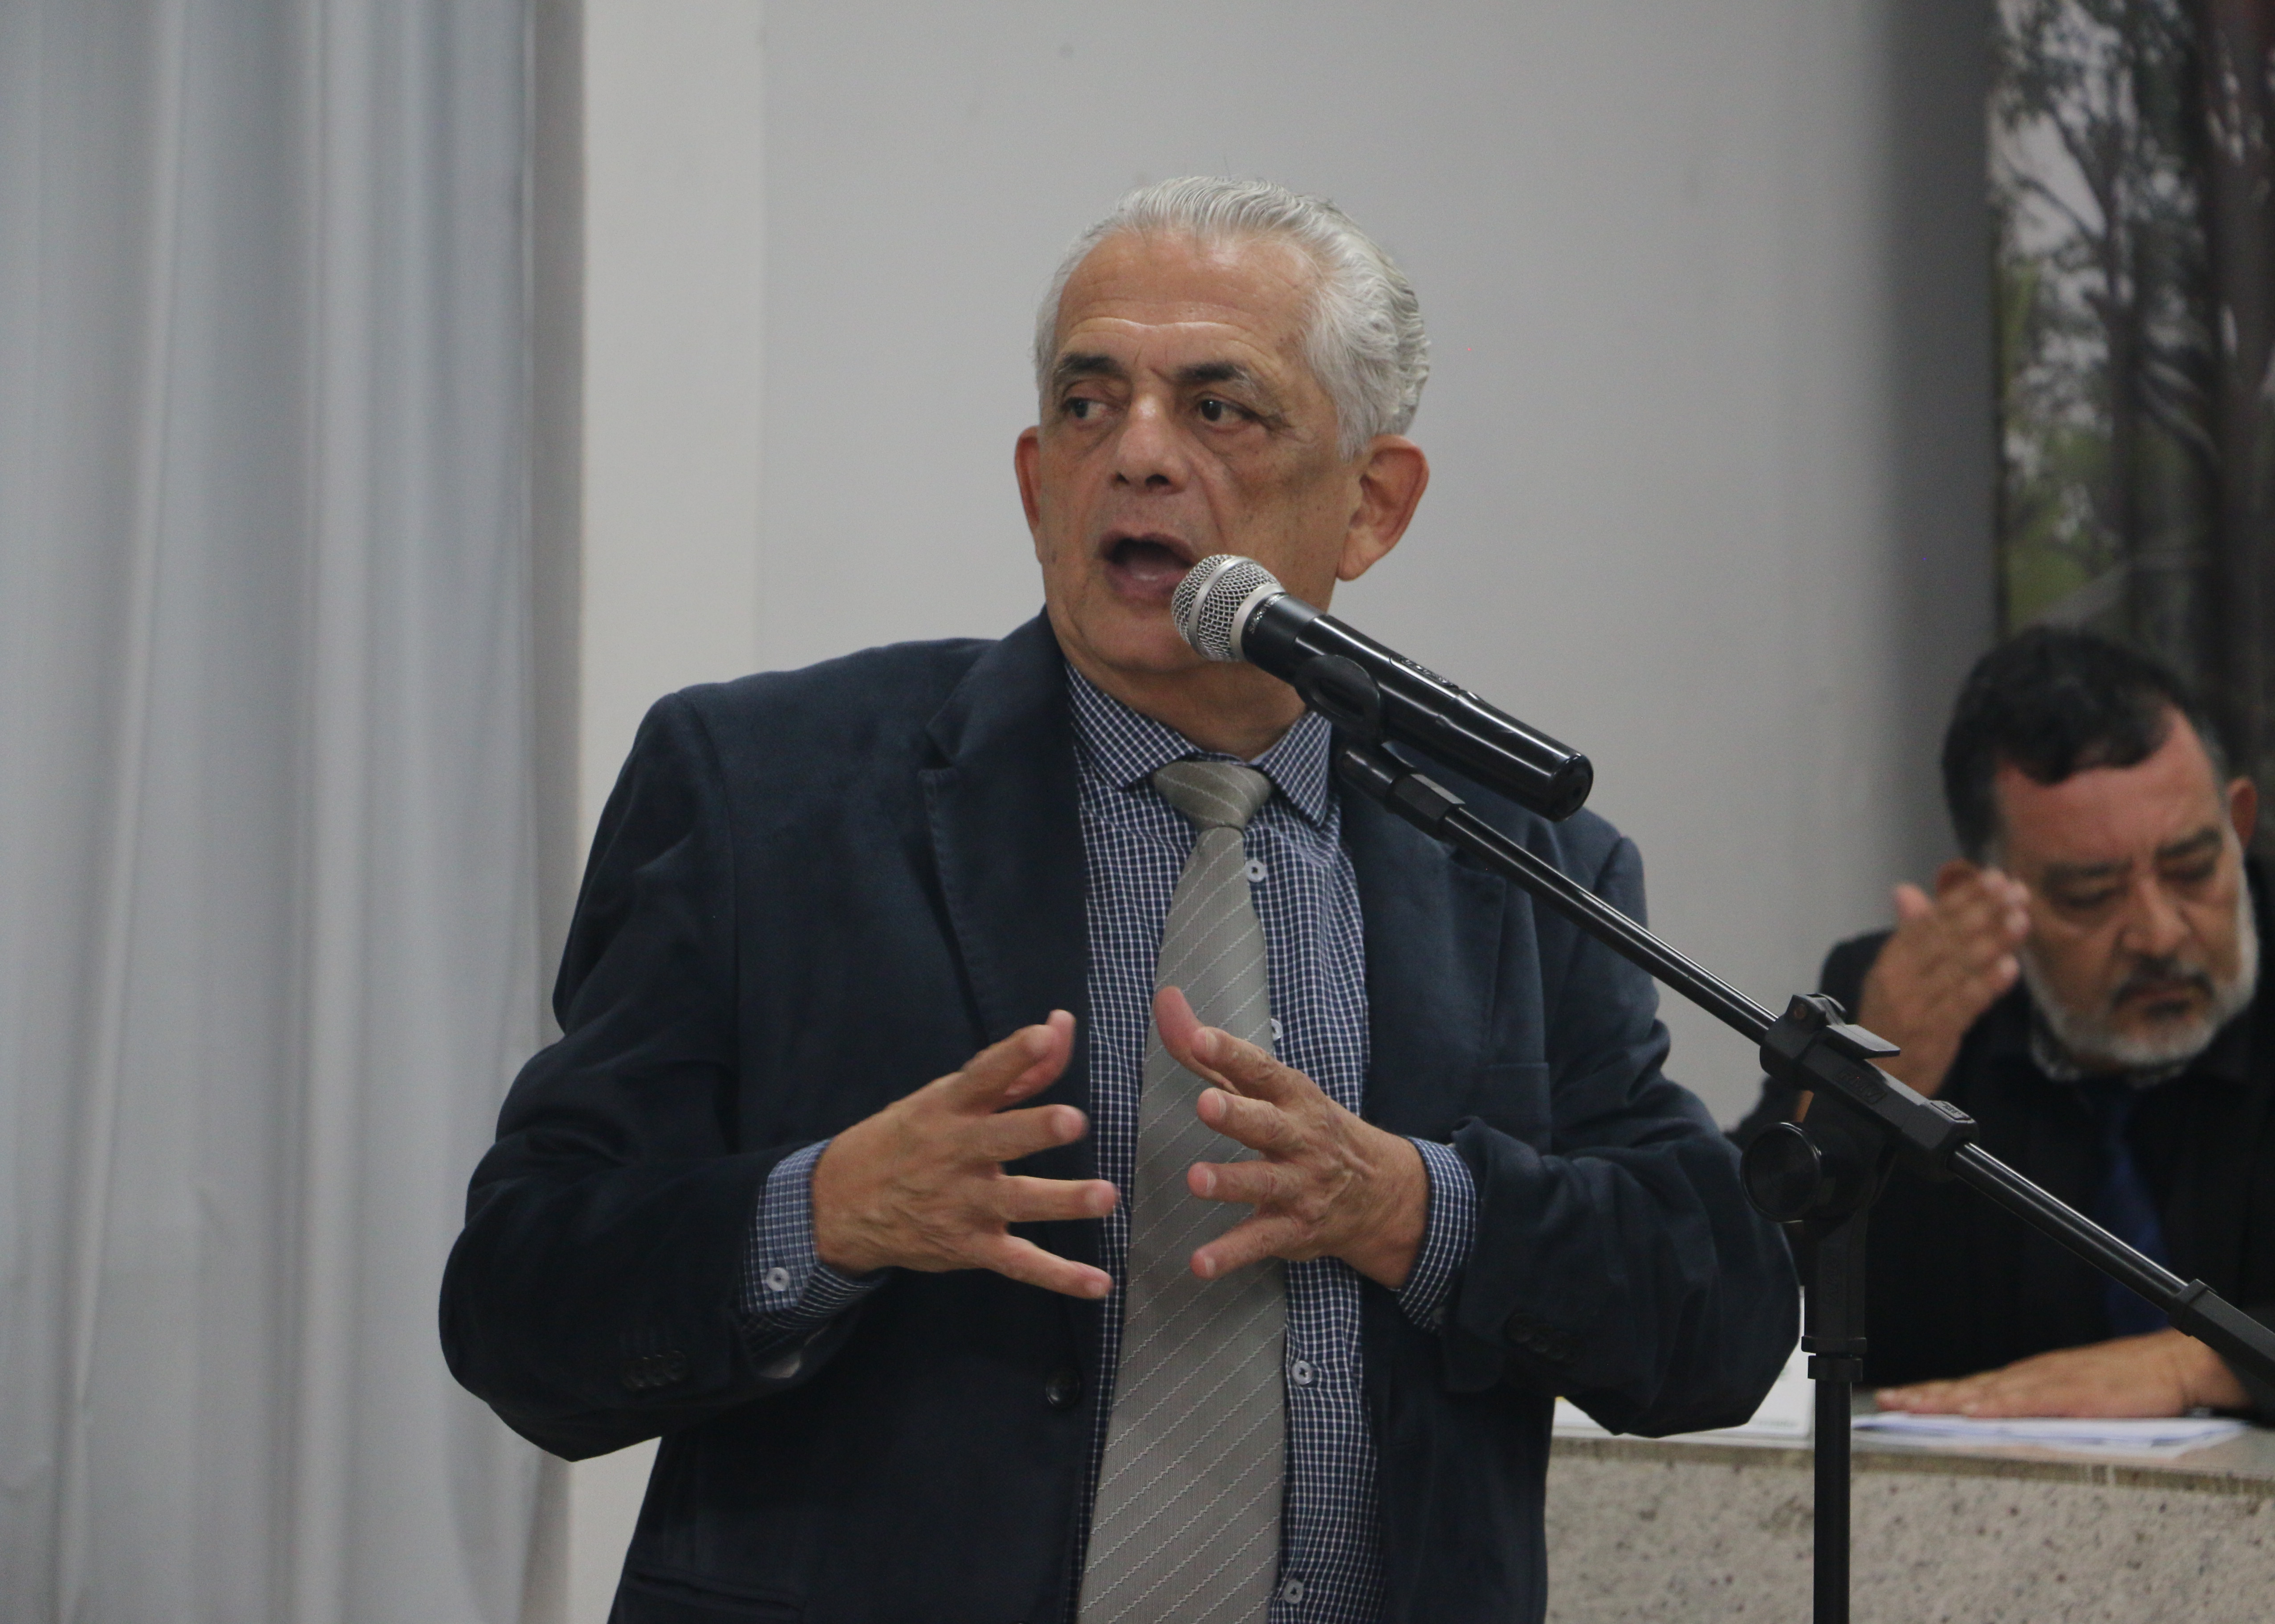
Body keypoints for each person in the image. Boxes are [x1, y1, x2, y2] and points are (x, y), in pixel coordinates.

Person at [442, 177, 1796, 1624]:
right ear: (1038, 481)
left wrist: (1418, 1210)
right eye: (1089, 407)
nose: (1139, 454)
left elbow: (1711, 1320)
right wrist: (825, 1212)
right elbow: (522, 1303)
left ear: (1373, 503)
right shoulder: (763, 794)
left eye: (1221, 409)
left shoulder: (1519, 858)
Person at [1736, 627, 2275, 1425]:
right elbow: (1719, 1293)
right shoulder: (1906, 1007)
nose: (2159, 934)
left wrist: (2207, 1360)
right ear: (1980, 894)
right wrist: (1852, 1114)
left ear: (2239, 824)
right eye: (2091, 897)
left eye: (2192, 869)